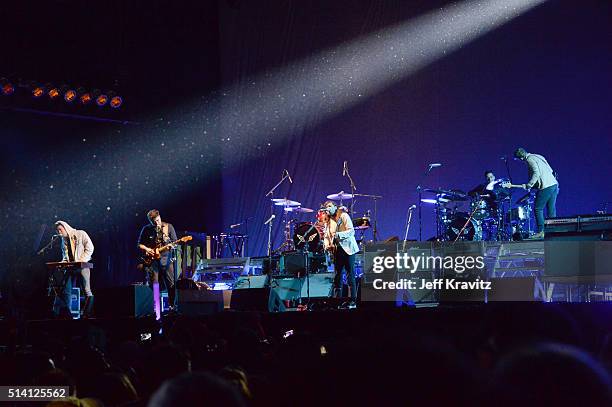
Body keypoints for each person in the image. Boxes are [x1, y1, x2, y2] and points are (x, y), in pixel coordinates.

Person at [138, 209, 178, 315]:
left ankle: (172, 306)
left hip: (166, 259)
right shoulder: (146, 229)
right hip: (152, 261)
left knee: (171, 283)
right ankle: (156, 308)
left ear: (160, 216)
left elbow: (175, 243)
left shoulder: (169, 227)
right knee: (154, 284)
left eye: (158, 220)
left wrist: (171, 246)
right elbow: (140, 244)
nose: (157, 223)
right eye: (154, 221)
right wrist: (147, 249)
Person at [513, 148, 559, 239]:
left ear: (521, 158)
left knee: (538, 208)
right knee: (551, 209)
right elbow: (550, 170)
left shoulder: (529, 159)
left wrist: (530, 184)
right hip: (554, 184)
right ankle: (553, 231)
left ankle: (541, 232)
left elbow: (536, 173)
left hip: (546, 186)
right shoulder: (538, 155)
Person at [322, 200, 359, 309]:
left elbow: (351, 231)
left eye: (329, 206)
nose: (327, 209)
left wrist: (338, 235)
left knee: (350, 274)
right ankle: (338, 301)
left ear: (334, 206)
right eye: (326, 207)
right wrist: (327, 245)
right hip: (337, 251)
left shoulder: (343, 216)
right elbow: (326, 236)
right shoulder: (328, 221)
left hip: (348, 250)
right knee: (337, 276)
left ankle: (353, 300)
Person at [54, 221, 94, 318]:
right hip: (70, 267)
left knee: (86, 290)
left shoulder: (80, 234)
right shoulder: (64, 241)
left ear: (66, 227)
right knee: (66, 290)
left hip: (82, 266)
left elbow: (90, 248)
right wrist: (62, 263)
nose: (59, 232)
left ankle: (87, 313)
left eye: (60, 229)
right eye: (58, 230)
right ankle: (66, 314)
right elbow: (65, 256)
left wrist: (81, 261)